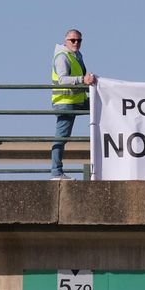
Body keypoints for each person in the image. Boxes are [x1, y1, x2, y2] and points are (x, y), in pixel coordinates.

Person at [51, 28, 96, 179]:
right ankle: (56, 172)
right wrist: (82, 80)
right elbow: (62, 79)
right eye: (73, 40)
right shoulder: (62, 57)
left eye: (79, 40)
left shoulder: (76, 56)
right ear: (66, 41)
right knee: (62, 136)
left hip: (78, 100)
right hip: (65, 102)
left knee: (102, 107)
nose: (76, 43)